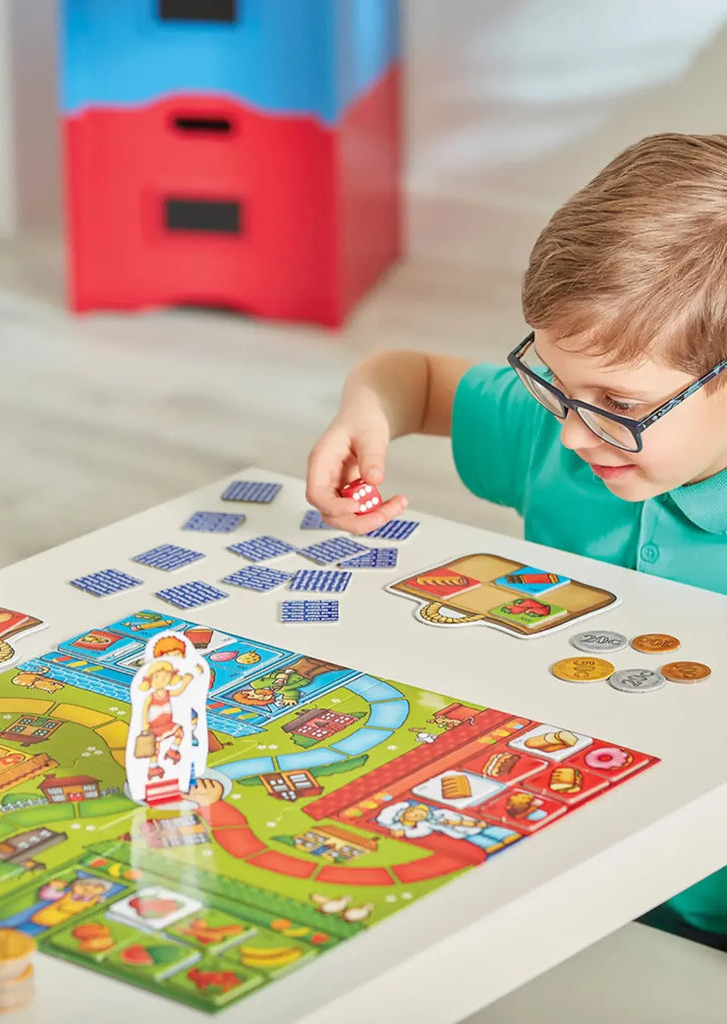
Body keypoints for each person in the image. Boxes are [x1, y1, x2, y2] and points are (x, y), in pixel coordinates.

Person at [306, 132, 727, 951]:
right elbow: (411, 376)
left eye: (617, 402)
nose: (571, 433)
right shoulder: (562, 440)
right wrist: (366, 415)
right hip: (552, 859)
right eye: (556, 385)